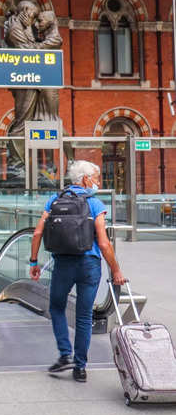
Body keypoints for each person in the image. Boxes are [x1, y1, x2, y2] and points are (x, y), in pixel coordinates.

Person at [29, 160, 126, 383]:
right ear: (85, 179)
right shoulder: (95, 204)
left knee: (56, 307)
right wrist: (116, 270)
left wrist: (34, 261)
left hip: (63, 263)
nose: (98, 182)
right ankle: (80, 368)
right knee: (83, 316)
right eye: (96, 177)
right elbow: (103, 243)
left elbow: (37, 233)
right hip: (89, 265)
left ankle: (65, 354)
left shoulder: (55, 200)